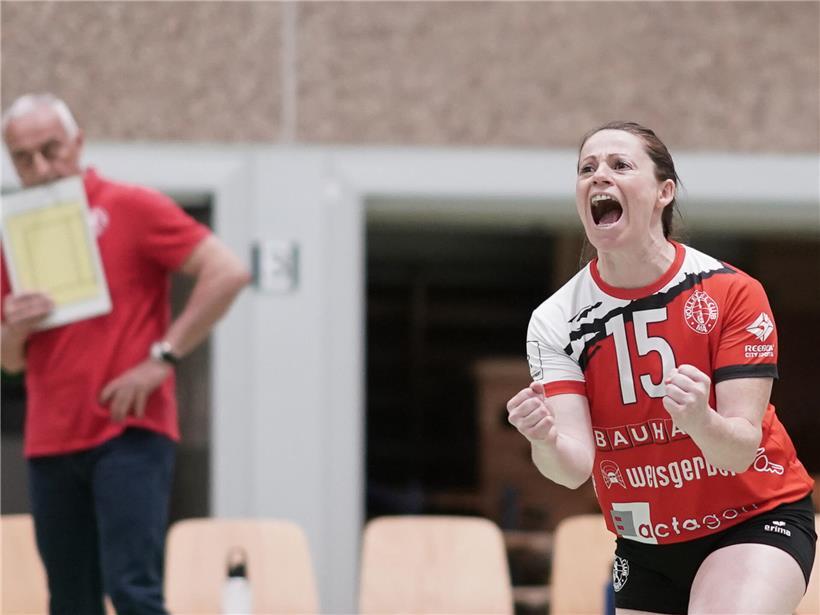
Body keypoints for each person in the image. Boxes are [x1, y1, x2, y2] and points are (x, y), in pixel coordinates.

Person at [506, 121, 816, 614]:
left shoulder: (730, 292)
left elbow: (738, 450)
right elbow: (572, 469)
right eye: (587, 168)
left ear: (663, 192)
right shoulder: (555, 319)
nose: (598, 176)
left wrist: (700, 419)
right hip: (647, 544)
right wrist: (542, 439)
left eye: (620, 165)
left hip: (754, 517)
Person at [0, 93, 251, 615]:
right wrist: (14, 330)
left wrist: (163, 356)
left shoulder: (130, 206)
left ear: (79, 143)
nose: (42, 169)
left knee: (132, 589)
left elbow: (227, 271)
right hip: (50, 438)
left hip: (128, 430)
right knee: (69, 599)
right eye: (24, 159)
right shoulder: (14, 233)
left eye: (52, 151)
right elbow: (11, 362)